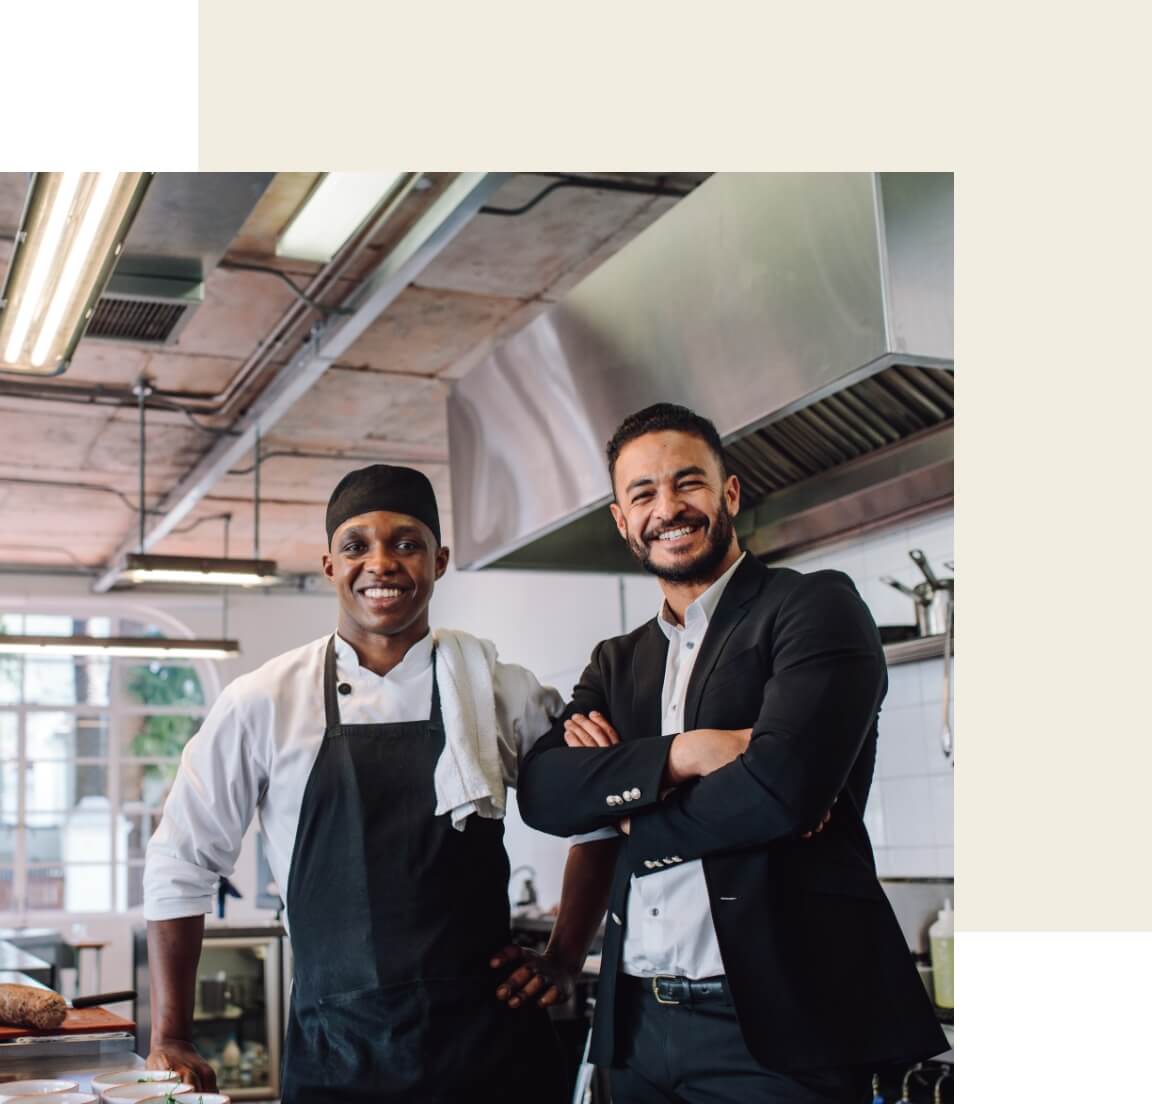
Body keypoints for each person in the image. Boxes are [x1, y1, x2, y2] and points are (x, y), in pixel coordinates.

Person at [517, 404, 948, 1103]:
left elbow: (782, 790)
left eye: (688, 483)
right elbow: (543, 792)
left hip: (777, 1033)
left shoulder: (811, 607)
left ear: (730, 494)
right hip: (635, 1027)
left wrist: (629, 813)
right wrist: (686, 755)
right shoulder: (617, 663)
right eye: (643, 494)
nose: (668, 508)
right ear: (623, 522)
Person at [142, 464, 605, 1104]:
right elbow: (180, 862)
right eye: (356, 545)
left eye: (406, 543)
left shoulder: (501, 687)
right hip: (340, 1058)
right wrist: (172, 1034)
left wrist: (564, 955)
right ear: (330, 564)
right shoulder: (264, 701)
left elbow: (599, 811)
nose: (381, 563)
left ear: (439, 560)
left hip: (491, 1053)